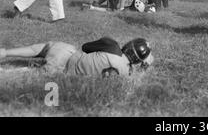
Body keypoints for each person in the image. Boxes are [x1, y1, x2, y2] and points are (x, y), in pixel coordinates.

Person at [0, 37, 154, 77]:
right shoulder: (127, 74)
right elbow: (136, 71)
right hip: (62, 71)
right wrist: (145, 66)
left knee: (41, 48)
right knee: (35, 72)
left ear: (129, 45)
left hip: (66, 54)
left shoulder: (112, 46)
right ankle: (7, 72)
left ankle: (5, 53)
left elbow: (85, 47)